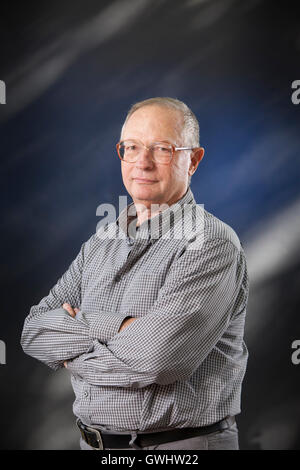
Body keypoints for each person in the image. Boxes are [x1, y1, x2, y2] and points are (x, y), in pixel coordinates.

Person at [20, 97, 249, 450]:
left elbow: (159, 360)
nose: (142, 162)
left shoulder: (212, 245)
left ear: (194, 160)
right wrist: (123, 330)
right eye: (132, 147)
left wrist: (74, 350)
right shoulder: (101, 241)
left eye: (161, 149)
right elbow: (34, 331)